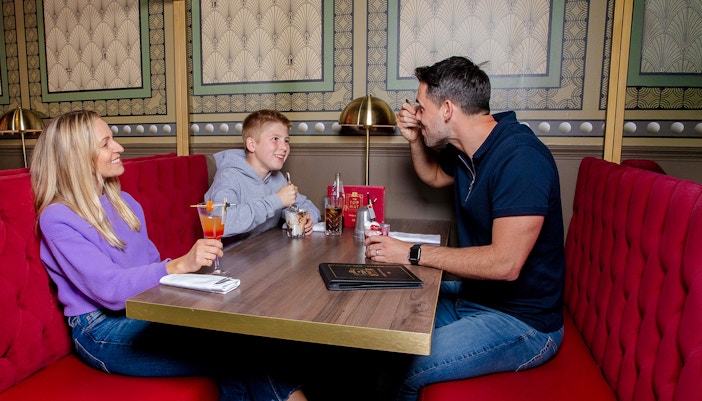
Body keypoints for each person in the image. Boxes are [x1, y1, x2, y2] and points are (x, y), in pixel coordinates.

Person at [31, 110, 308, 401]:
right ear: (77, 155)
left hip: (147, 308)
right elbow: (110, 290)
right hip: (100, 330)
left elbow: (151, 267)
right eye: (106, 143)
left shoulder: (124, 202)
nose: (119, 147)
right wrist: (180, 265)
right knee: (238, 348)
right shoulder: (57, 217)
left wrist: (192, 282)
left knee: (241, 338)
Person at [365, 56, 566, 400]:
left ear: (447, 109)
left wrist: (410, 252)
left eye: (421, 107)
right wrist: (414, 139)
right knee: (386, 330)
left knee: (407, 367)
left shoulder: (521, 158)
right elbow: (432, 176)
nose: (416, 115)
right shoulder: (470, 151)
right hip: (476, 298)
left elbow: (505, 264)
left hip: (523, 323)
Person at [205, 110, 320, 239]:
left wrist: (309, 218)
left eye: (286, 140)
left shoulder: (277, 178)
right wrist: (277, 200)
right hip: (231, 251)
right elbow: (222, 223)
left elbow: (307, 206)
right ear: (252, 145)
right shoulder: (228, 177)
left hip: (266, 248)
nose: (284, 147)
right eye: (275, 139)